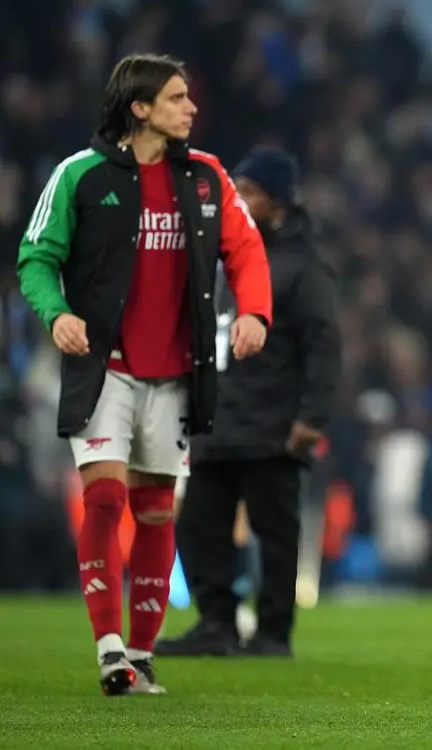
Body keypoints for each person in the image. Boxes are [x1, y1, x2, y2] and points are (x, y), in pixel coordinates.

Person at [14, 53, 272, 695]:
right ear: (140, 108)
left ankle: (141, 654)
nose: (191, 108)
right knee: (104, 496)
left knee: (156, 512)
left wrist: (256, 314)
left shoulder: (208, 178)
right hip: (106, 366)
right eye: (178, 98)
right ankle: (108, 649)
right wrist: (56, 315)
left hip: (177, 372)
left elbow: (246, 249)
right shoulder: (80, 175)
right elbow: (36, 257)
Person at [156, 147, 340, 658]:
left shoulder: (304, 267)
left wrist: (311, 418)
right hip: (217, 416)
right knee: (199, 524)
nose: (235, 197)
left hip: (273, 424)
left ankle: (272, 633)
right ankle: (216, 622)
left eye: (250, 190)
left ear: (278, 203)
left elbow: (324, 346)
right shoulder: (223, 253)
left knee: (275, 532)